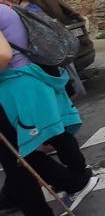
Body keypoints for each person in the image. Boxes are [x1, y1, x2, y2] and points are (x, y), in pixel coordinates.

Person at [0, 11, 98, 214]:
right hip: (24, 82)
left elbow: (3, 54)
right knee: (19, 153)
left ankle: (75, 182)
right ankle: (13, 198)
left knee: (18, 154)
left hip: (16, 87)